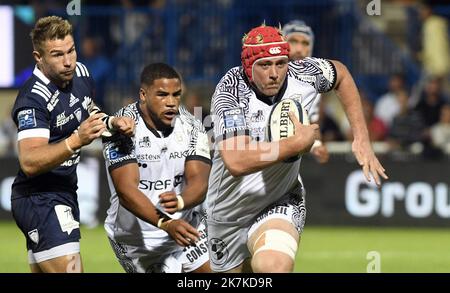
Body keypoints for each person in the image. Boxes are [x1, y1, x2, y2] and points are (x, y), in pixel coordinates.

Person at [207, 24, 388, 273]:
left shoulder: (303, 73)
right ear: (248, 67)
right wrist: (295, 144)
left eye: (280, 63)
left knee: (274, 267)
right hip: (227, 213)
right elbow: (237, 162)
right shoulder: (231, 91)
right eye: (264, 65)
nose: (274, 73)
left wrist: (361, 137)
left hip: (278, 200)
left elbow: (341, 74)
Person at [10, 16, 135, 273]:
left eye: (71, 51)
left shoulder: (82, 74)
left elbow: (88, 111)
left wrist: (112, 122)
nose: (68, 61)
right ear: (38, 57)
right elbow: (30, 161)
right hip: (39, 198)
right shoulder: (33, 99)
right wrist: (77, 139)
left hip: (65, 191)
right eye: (57, 55)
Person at [103, 63, 212, 273]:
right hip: (138, 242)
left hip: (185, 228)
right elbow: (126, 191)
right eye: (162, 95)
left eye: (176, 95)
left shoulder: (192, 125)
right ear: (143, 95)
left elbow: (199, 181)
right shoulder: (123, 127)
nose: (171, 102)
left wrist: (181, 200)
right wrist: (165, 223)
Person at [282, 20, 328, 163]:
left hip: (286, 162)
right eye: (293, 41)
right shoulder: (265, 74)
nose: (299, 49)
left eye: (305, 43)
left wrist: (318, 146)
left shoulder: (313, 84)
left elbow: (311, 125)